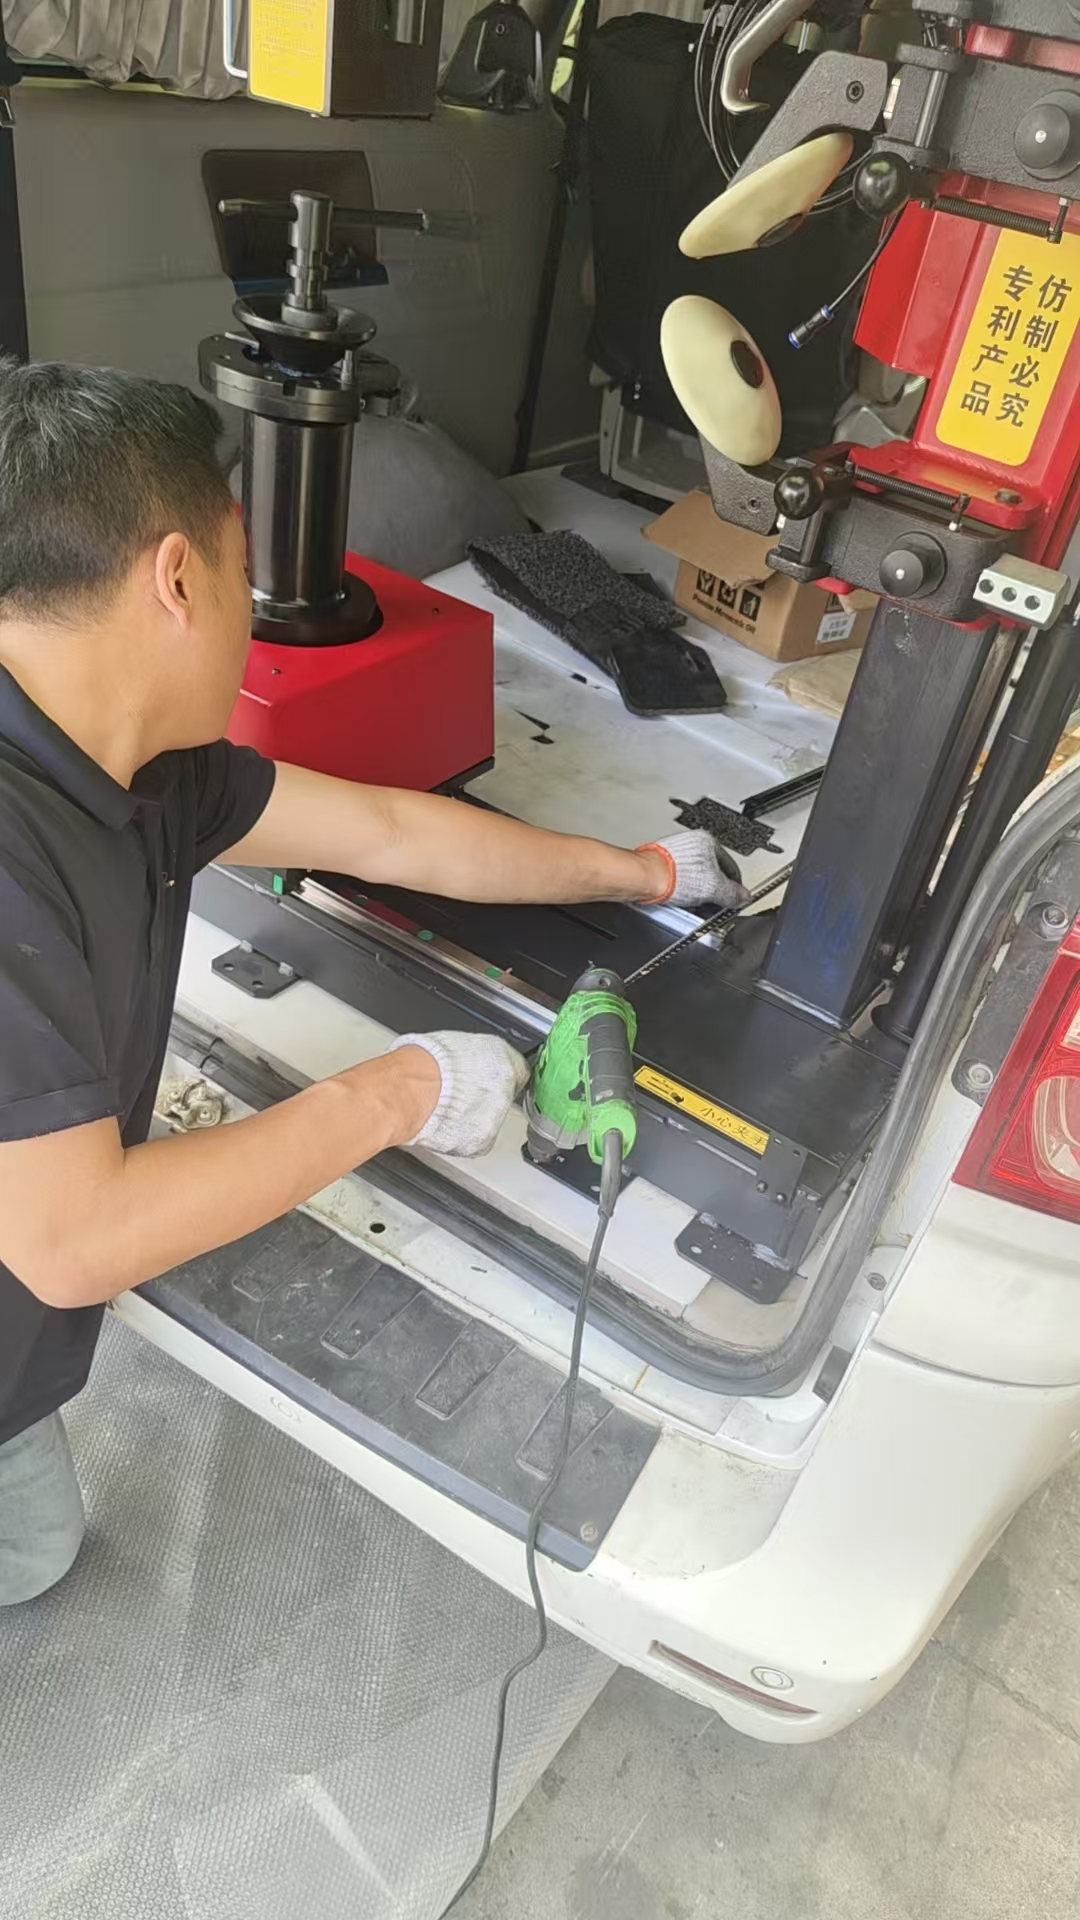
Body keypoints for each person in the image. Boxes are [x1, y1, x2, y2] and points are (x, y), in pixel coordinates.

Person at [0, 358, 742, 1606]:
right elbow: (77, 1242)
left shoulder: (125, 756)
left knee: (36, 1543)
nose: (255, 605)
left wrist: (640, 870)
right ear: (177, 578)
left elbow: (388, 834)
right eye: (244, 568)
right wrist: (395, 1093)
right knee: (29, 1558)